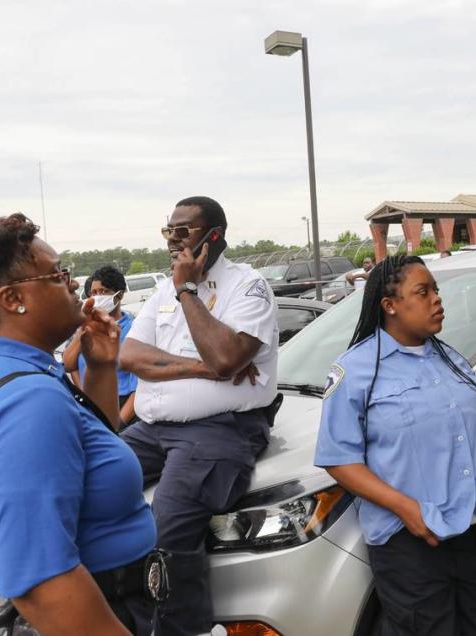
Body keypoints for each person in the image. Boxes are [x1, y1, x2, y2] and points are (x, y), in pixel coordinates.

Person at [0, 213, 157, 635]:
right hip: (93, 607)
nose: (74, 284)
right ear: (13, 298)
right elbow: (42, 582)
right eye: (58, 276)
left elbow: (87, 447)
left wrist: (101, 365)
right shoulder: (27, 401)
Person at [315, 254, 476, 635]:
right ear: (389, 305)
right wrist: (407, 509)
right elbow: (338, 459)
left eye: (435, 290)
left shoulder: (451, 358)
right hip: (411, 541)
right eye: (423, 292)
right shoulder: (355, 369)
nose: (436, 299)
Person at [120, 196, 278, 635]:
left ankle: (181, 630)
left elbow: (227, 356)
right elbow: (130, 355)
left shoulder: (248, 287)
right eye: (168, 229)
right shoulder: (161, 290)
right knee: (90, 483)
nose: (172, 239)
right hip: (150, 429)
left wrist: (188, 290)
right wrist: (199, 367)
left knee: (165, 531)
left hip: (217, 432)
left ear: (214, 235)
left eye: (183, 230)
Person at [63, 265, 139, 428]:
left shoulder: (133, 330)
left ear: (120, 294)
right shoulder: (86, 328)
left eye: (103, 291)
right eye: (93, 293)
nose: (97, 297)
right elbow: (69, 364)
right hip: (91, 405)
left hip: (120, 406)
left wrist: (117, 425)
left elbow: (139, 389)